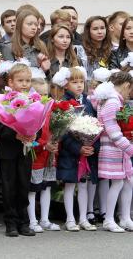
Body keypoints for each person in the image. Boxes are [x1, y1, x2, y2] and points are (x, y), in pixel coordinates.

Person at [52, 66, 99, 232]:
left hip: (87, 152)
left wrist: (91, 146)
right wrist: (78, 148)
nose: (79, 85)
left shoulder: (88, 102)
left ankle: (84, 217)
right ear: (66, 84)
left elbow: (95, 125)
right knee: (70, 185)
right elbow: (62, 131)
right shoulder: (63, 103)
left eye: (81, 82)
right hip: (70, 153)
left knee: (84, 185)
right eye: (74, 82)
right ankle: (70, 218)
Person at [0, 63, 37, 237]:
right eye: (20, 80)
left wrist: (34, 134)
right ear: (10, 82)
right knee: (9, 186)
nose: (25, 84)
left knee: (24, 185)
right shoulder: (2, 101)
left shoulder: (34, 100)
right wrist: (16, 135)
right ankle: (10, 222)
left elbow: (38, 122)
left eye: (27, 80)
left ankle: (24, 221)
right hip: (8, 150)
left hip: (25, 150)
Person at [94, 71, 133, 232]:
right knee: (117, 183)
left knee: (127, 182)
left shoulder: (113, 100)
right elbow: (112, 130)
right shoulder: (112, 102)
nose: (130, 93)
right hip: (113, 148)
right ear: (126, 85)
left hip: (118, 149)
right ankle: (109, 219)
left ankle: (125, 218)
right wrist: (129, 148)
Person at [27, 72, 61, 233]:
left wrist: (55, 143)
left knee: (46, 187)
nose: (42, 98)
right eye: (38, 94)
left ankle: (45, 219)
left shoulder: (50, 110)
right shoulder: (29, 111)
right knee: (33, 189)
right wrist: (42, 145)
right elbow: (28, 138)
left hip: (49, 156)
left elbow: (54, 130)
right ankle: (32, 220)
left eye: (46, 94)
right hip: (36, 157)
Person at [75, 16, 112, 80]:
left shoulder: (111, 49)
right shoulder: (80, 50)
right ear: (88, 31)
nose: (100, 32)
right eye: (95, 29)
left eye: (102, 28)